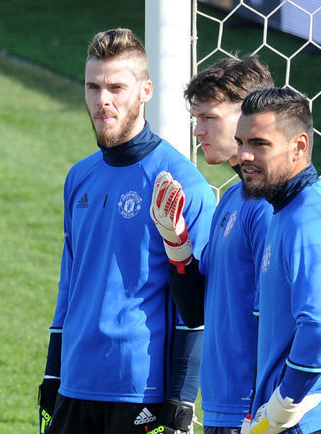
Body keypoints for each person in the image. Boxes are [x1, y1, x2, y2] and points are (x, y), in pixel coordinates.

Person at [38, 28, 216, 434]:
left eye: (116, 87)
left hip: (140, 391)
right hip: (75, 383)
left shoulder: (181, 185)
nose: (103, 100)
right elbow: (69, 283)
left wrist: (180, 400)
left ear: (146, 91)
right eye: (93, 87)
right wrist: (52, 373)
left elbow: (196, 310)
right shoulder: (79, 177)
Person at [234, 87, 321, 434]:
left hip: (311, 421)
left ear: (299, 146)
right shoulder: (304, 205)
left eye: (259, 144)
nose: (244, 155)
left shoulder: (307, 217)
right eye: (241, 142)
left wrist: (286, 399)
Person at [150, 55, 275, 434]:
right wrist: (177, 244)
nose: (197, 131)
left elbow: (280, 317)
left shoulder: (269, 208)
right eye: (196, 118)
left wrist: (265, 410)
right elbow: (197, 312)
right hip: (223, 409)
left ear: (248, 117)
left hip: (256, 412)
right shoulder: (232, 200)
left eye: (208, 117)